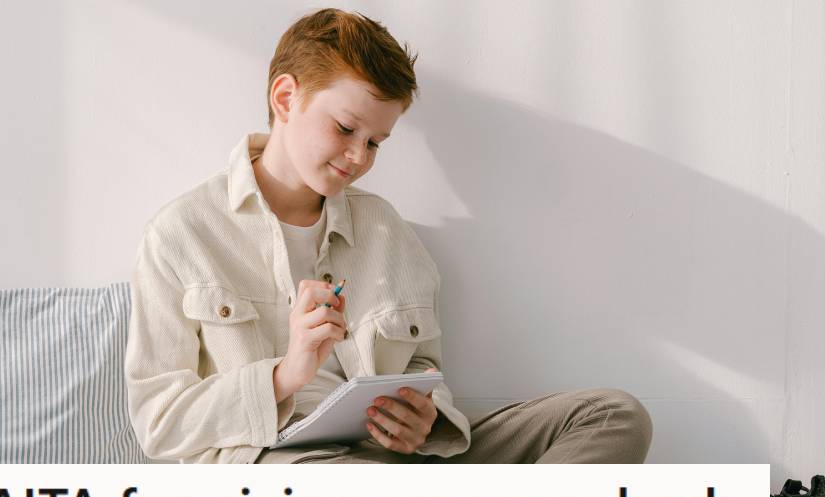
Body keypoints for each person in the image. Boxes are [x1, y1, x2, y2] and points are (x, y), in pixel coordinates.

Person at [124, 8, 652, 464]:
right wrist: (285, 375)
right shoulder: (182, 235)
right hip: (288, 468)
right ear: (286, 98)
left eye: (376, 142)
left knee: (612, 416)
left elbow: (423, 366)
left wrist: (426, 418)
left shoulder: (384, 230)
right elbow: (159, 422)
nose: (359, 157)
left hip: (396, 463)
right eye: (346, 128)